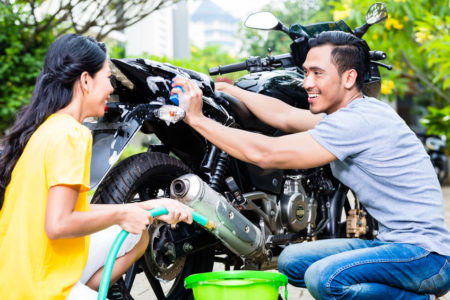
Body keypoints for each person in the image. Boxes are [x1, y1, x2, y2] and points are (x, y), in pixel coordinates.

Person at [171, 31, 450, 299]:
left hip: (426, 257)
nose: (307, 82)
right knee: (291, 260)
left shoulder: (359, 122)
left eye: (318, 73)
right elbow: (286, 115)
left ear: (349, 77)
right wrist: (229, 90)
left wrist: (197, 119)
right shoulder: (354, 113)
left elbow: (266, 153)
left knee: (323, 278)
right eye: (305, 72)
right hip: (391, 245)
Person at [0, 34, 193, 300]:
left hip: (14, 278)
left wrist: (143, 207)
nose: (111, 88)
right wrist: (122, 214)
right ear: (85, 81)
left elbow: (69, 210)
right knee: (129, 231)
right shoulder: (71, 134)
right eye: (106, 78)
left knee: (138, 238)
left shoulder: (47, 128)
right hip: (37, 288)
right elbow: (58, 224)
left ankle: (80, 292)